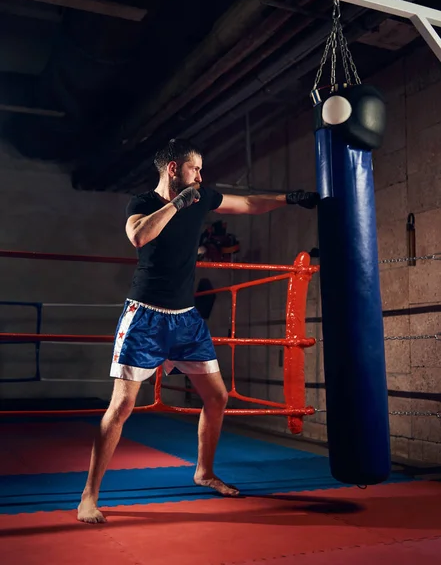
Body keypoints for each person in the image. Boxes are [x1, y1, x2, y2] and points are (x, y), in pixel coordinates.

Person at [77, 138, 319, 524]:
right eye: (195, 169)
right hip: (145, 317)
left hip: (186, 318)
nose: (201, 176)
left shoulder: (203, 196)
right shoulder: (142, 204)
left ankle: (203, 471)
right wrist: (176, 204)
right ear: (173, 169)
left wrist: (290, 197)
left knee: (218, 398)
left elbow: (249, 203)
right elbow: (139, 237)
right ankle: (89, 496)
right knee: (122, 406)